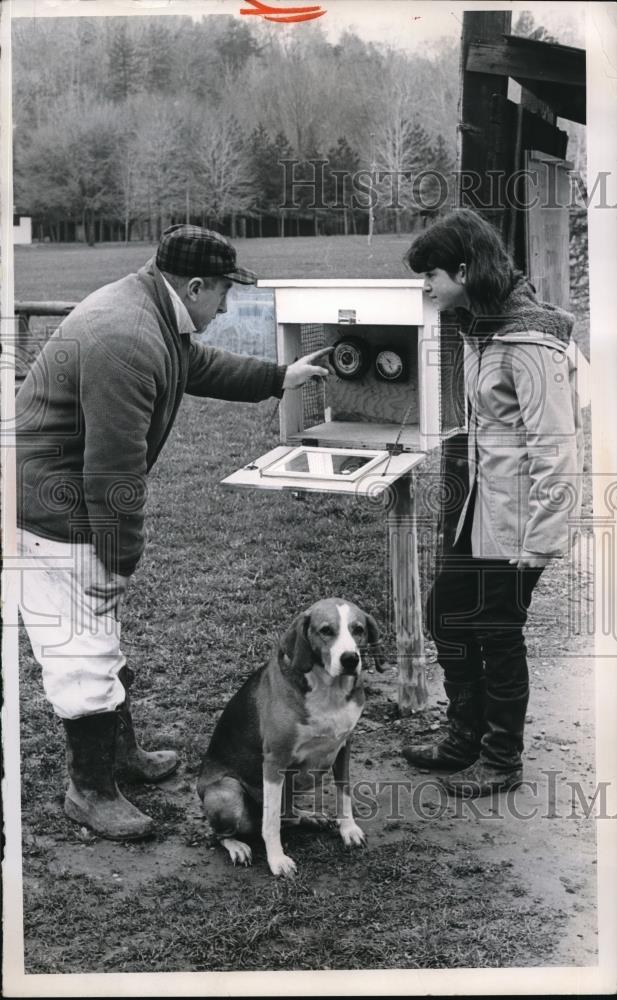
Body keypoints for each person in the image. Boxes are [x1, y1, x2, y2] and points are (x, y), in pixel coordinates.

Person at [16, 224, 331, 840]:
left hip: (72, 500)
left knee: (99, 635)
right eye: (223, 294)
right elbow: (113, 474)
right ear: (193, 286)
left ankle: (120, 759)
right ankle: (91, 790)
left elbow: (196, 364)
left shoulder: (152, 309)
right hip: (52, 513)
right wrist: (119, 560)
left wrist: (279, 376)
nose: (226, 306)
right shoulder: (127, 338)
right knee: (81, 651)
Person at [401, 208, 584, 797]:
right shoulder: (483, 323)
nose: (426, 287)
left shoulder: (528, 338)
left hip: (518, 521)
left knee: (498, 631)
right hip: (479, 512)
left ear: (461, 268)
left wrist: (543, 537)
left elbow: (557, 447)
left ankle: (502, 758)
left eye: (430, 274)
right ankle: (465, 736)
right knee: (446, 614)